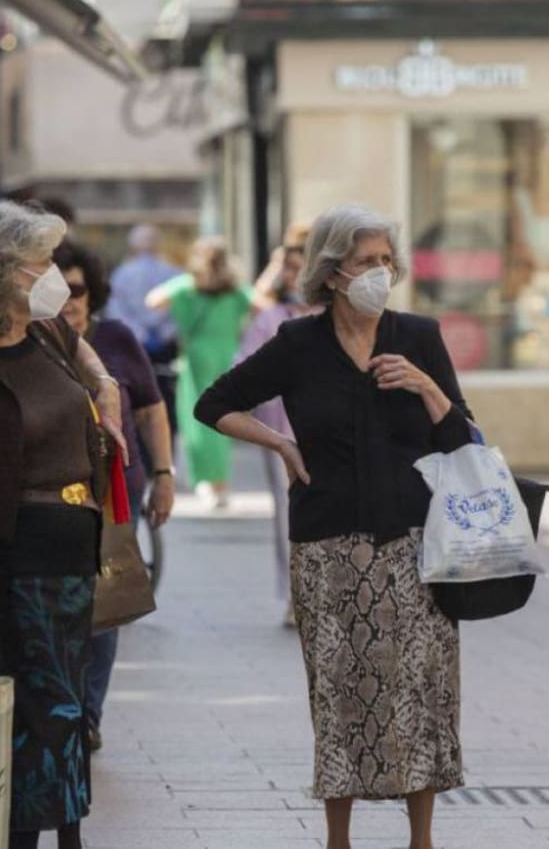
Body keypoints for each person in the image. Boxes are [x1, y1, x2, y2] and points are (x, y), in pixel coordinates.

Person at [195, 205, 472, 849]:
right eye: (366, 261)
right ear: (332, 272)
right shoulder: (299, 343)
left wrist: (427, 387)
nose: (380, 272)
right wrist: (281, 444)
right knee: (338, 691)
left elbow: (461, 438)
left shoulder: (418, 336)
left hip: (412, 544)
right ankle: (337, 838)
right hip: (327, 548)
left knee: (418, 692)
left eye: (386, 261)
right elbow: (214, 403)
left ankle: (421, 838)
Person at [0, 201, 126, 849]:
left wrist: (108, 396)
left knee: (68, 708)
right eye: (40, 262)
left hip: (74, 550)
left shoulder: (49, 334)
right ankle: (28, 839)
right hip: (17, 559)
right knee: (42, 713)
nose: (55, 275)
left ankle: (70, 837)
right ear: (2, 273)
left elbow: (93, 370)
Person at [53, 238, 175, 753]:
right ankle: (60, 707)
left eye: (77, 288)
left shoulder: (118, 339)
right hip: (54, 501)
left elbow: (149, 409)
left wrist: (165, 473)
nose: (69, 300)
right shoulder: (34, 346)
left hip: (114, 498)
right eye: (56, 290)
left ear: (93, 291)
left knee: (106, 606)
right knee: (61, 610)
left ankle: (89, 714)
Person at [233, 224, 315, 625]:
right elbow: (241, 369)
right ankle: (296, 598)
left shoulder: (336, 318)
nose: (294, 277)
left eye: (302, 268)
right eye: (289, 268)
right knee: (288, 516)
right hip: (282, 435)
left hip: (334, 434)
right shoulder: (271, 319)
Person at [147, 236, 260, 508]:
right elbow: (260, 306)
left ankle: (206, 482)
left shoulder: (188, 287)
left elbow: (153, 300)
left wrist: (186, 285)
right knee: (226, 418)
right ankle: (221, 482)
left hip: (195, 358)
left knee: (197, 420)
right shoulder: (235, 290)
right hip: (227, 357)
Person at [107, 224, 182, 431]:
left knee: (136, 406)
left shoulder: (122, 274)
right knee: (166, 406)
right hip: (165, 350)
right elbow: (177, 312)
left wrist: (140, 335)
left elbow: (117, 311)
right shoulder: (174, 273)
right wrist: (162, 334)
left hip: (134, 346)